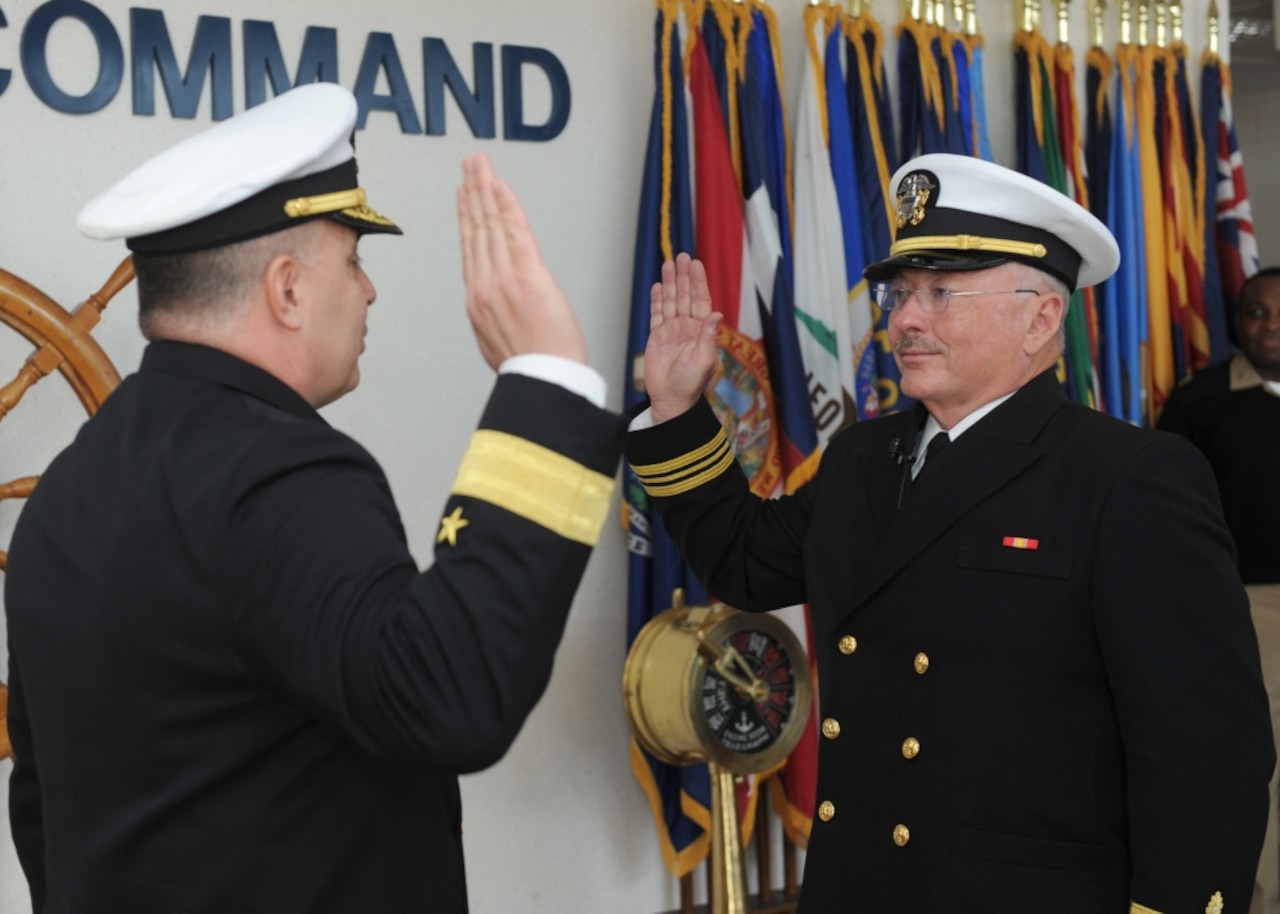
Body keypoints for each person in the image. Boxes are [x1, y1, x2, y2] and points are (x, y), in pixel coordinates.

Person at [4, 82, 624, 913]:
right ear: (287, 289)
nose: (369, 292)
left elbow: (45, 809)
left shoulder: (70, 487)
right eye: (355, 260)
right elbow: (452, 696)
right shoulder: (277, 470)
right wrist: (547, 378)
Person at [628, 152, 1274, 912]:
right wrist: (676, 411)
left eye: (942, 292)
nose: (903, 318)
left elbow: (1205, 752)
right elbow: (743, 562)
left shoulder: (1129, 478)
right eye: (900, 291)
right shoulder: (865, 459)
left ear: (1041, 318)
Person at [1158, 267, 1280, 914]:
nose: (1272, 325)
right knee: (1264, 768)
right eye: (1257, 312)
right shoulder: (1201, 400)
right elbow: (1164, 516)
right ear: (1238, 322)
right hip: (1251, 608)